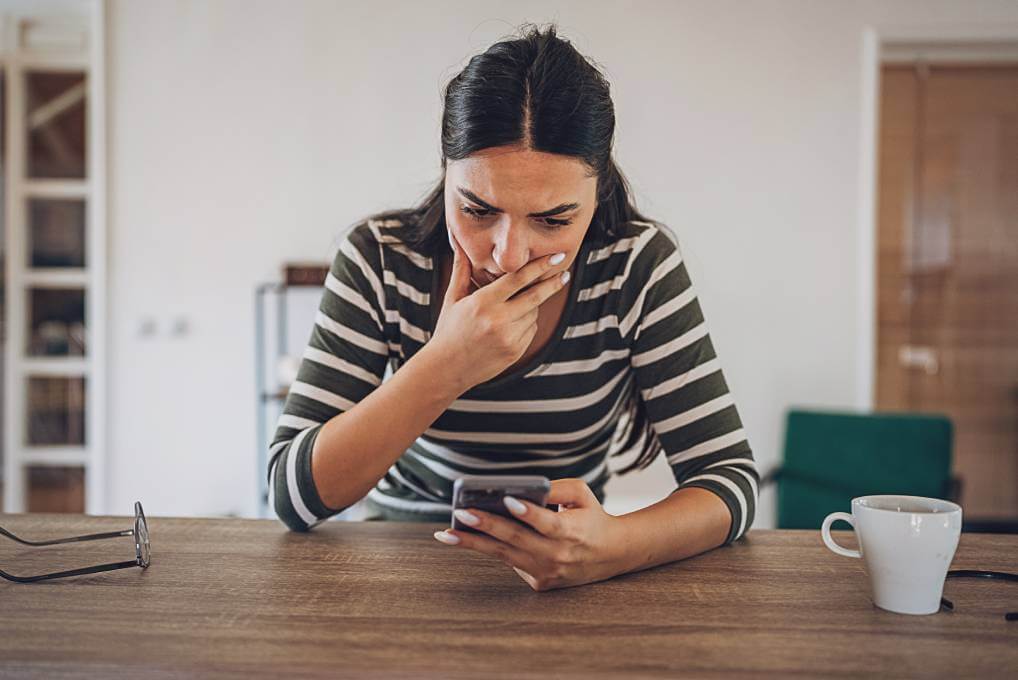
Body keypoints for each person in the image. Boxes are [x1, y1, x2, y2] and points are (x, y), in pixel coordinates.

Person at [269, 23, 757, 591]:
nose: (509, 255)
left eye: (553, 220)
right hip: (397, 567)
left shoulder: (636, 265)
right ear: (446, 174)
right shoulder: (381, 258)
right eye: (477, 211)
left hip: (572, 576)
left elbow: (730, 481)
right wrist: (447, 365)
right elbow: (291, 495)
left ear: (597, 192)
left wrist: (614, 547)